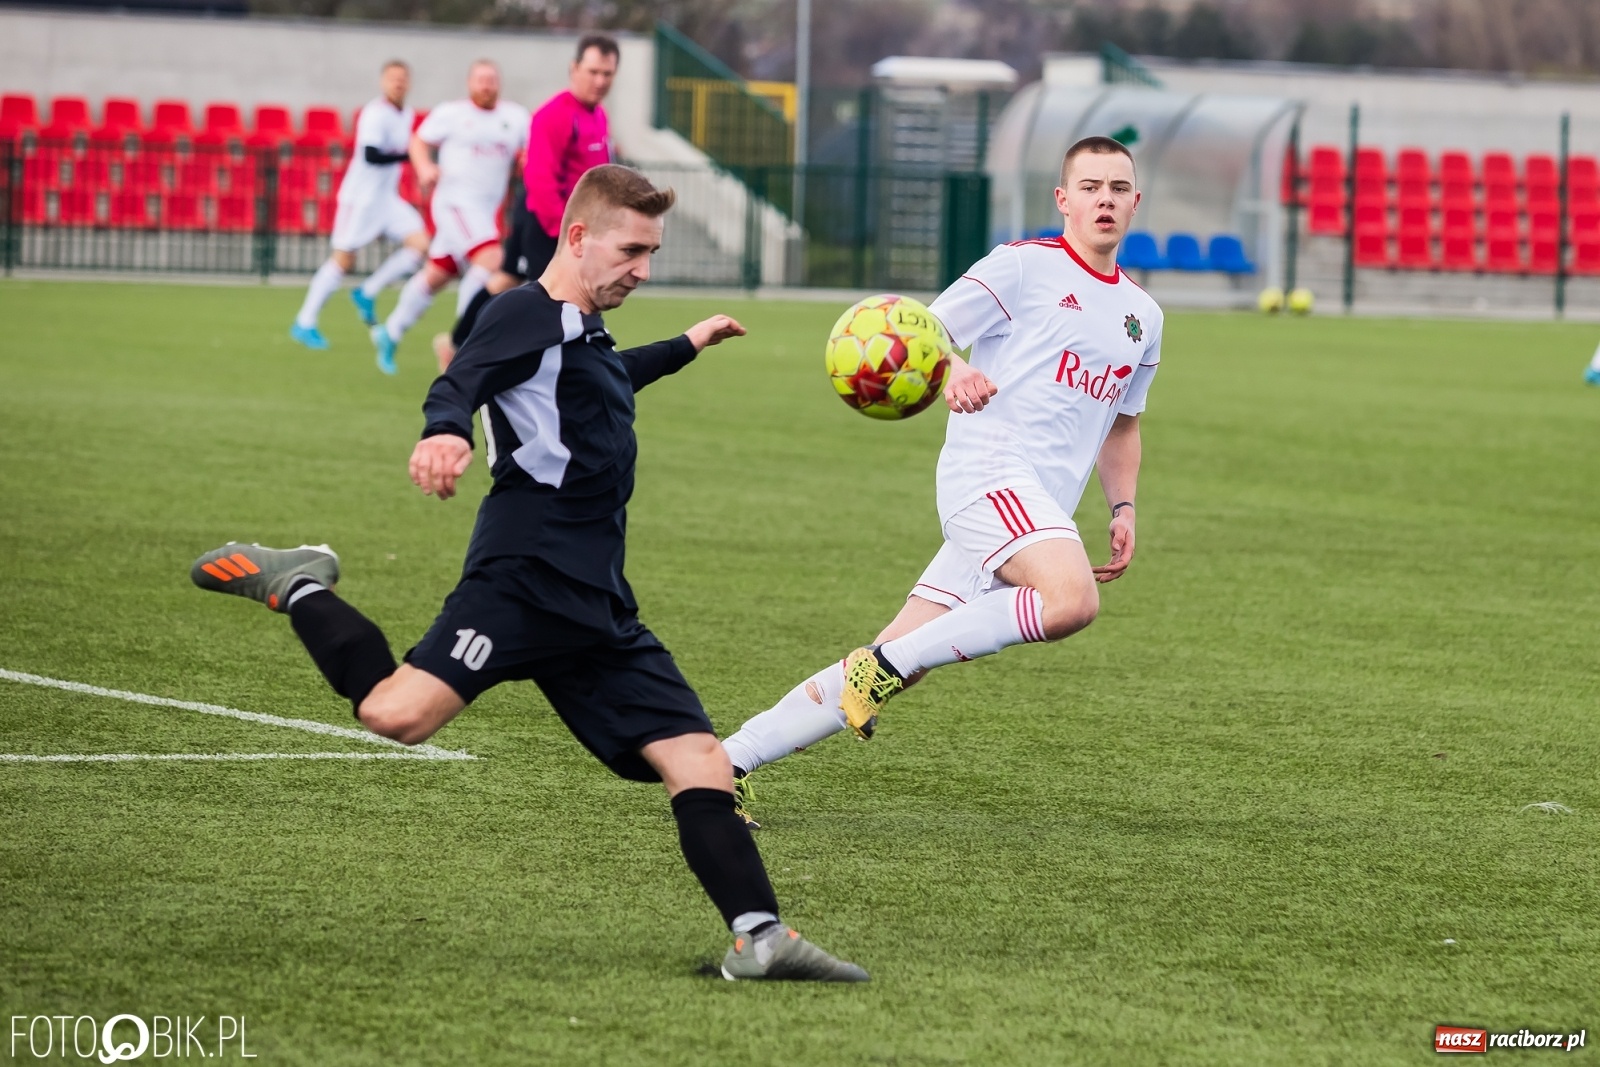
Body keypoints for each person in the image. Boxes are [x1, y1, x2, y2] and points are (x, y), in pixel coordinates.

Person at [190, 165, 868, 982]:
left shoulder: (582, 329)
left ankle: (759, 937)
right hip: (523, 574)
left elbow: (608, 379)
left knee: (699, 758)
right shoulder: (523, 313)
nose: (643, 269)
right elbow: (460, 380)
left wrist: (687, 344)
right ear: (577, 237)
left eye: (651, 252)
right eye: (631, 250)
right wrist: (444, 431)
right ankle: (300, 583)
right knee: (396, 714)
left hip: (597, 599)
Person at [721, 136, 1165, 826]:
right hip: (988, 475)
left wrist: (1124, 506)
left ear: (1135, 202)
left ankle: (724, 764)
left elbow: (1123, 425)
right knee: (1071, 599)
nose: (1103, 199)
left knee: (903, 655)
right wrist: (954, 368)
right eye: (1089, 187)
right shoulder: (1023, 265)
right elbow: (918, 330)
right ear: (1063, 199)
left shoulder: (1144, 316)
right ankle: (881, 667)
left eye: (1117, 188)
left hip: (1034, 509)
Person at [433, 34, 619, 371]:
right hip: (547, 221)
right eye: (593, 72)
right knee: (554, 296)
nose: (600, 81)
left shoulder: (599, 115)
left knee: (505, 281)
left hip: (566, 223)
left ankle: (457, 344)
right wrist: (565, 237)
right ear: (574, 69)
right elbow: (540, 181)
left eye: (607, 74)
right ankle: (570, 365)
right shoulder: (554, 114)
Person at [371, 60, 530, 376]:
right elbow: (418, 141)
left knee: (439, 273)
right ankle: (464, 345)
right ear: (469, 83)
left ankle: (391, 331)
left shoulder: (516, 117)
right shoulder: (452, 113)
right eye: (481, 79)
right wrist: (424, 168)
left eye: (491, 79)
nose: (486, 85)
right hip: (455, 204)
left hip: (485, 213)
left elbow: (531, 151)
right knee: (492, 261)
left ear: (499, 83)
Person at [291, 60, 429, 350]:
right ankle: (304, 321)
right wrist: (411, 156)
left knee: (421, 245)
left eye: (403, 78)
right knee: (343, 260)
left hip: (386, 198)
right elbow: (371, 155)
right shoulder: (375, 113)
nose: (398, 83)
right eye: (392, 78)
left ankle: (367, 291)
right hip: (361, 198)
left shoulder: (406, 114)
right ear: (382, 82)